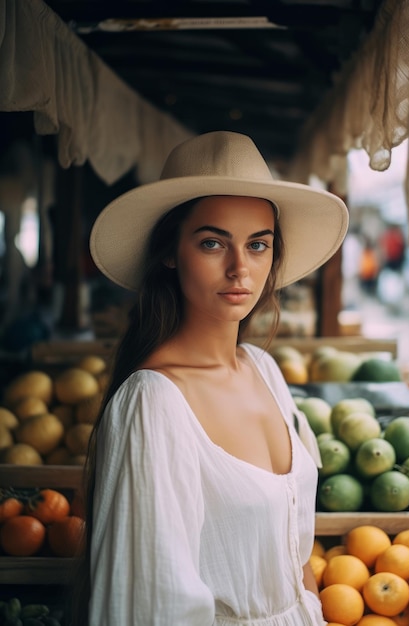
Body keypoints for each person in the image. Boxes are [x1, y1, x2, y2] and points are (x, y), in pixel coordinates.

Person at [77, 130, 349, 626]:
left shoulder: (262, 369)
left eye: (258, 244)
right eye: (212, 242)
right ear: (170, 251)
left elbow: (296, 560)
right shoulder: (153, 404)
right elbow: (150, 606)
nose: (240, 269)